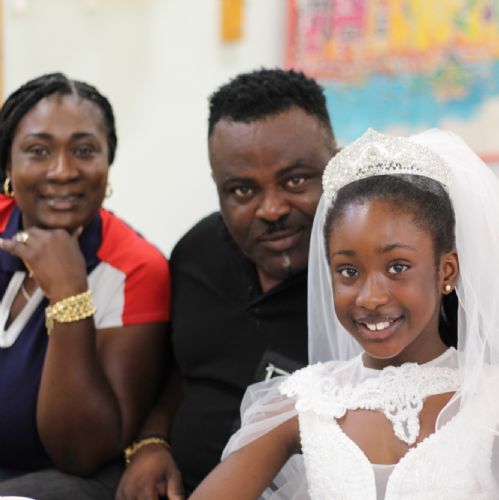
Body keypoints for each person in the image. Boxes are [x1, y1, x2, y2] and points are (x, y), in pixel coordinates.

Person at [189, 128, 499, 499]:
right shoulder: (306, 401)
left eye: (397, 267)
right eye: (349, 271)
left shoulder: (488, 398)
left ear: (446, 271)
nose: (370, 298)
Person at [116, 68, 338, 499]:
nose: (271, 209)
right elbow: (183, 369)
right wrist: (151, 442)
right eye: (242, 191)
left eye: (295, 181)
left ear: (335, 162)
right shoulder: (197, 254)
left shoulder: (368, 282)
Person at [0, 73, 171, 500]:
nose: (62, 171)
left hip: (50, 484)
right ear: (7, 167)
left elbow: (82, 452)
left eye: (84, 150)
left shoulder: (136, 269)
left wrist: (70, 295)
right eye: (38, 151)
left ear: (108, 163)